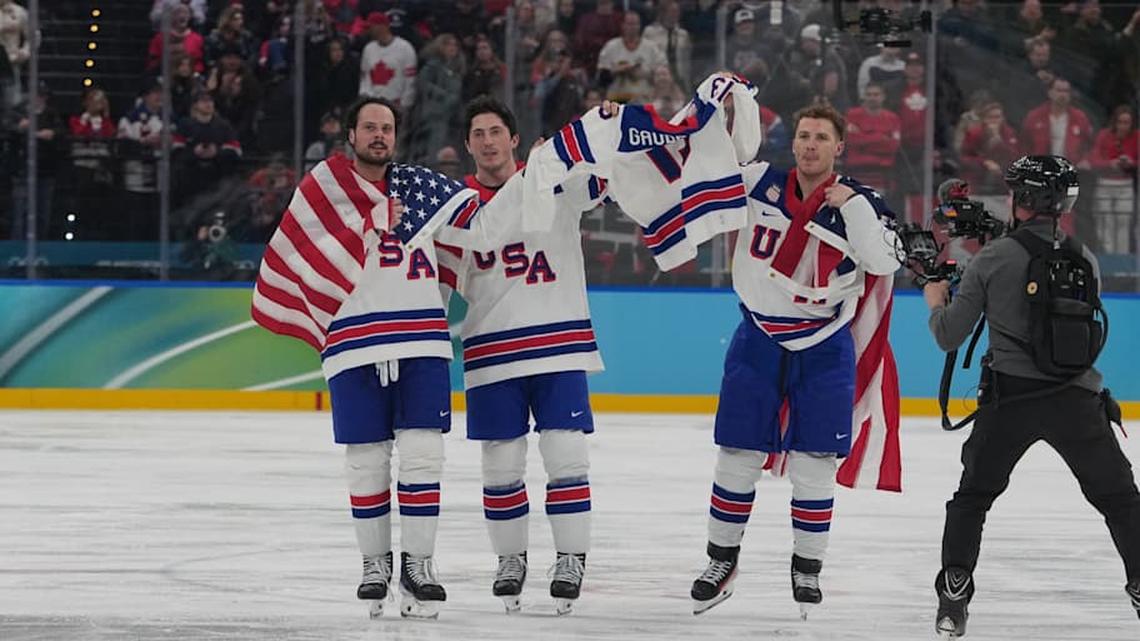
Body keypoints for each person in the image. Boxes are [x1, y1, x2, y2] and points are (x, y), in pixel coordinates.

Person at [251, 95, 528, 620]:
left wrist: (535, 176)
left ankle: (418, 566)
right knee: (365, 462)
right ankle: (374, 565)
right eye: (370, 127)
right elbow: (305, 246)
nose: (379, 135)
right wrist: (374, 216)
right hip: (353, 341)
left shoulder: (421, 188)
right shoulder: (324, 187)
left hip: (421, 337)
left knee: (424, 455)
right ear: (350, 135)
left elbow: (479, 222)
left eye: (387, 128)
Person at [689, 103, 901, 617]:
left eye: (821, 138)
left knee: (815, 462)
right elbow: (700, 177)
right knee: (737, 454)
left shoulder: (862, 202)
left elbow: (883, 260)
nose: (809, 145)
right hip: (757, 336)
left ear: (838, 147)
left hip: (825, 345)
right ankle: (722, 560)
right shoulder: (758, 180)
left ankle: (807, 568)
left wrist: (850, 206)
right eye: (803, 135)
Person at [923, 155, 1140, 638]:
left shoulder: (992, 258)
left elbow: (948, 335)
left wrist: (936, 297)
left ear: (1020, 199)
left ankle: (953, 598)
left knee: (972, 499)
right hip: (1078, 399)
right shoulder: (1086, 257)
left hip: (1010, 401)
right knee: (1122, 501)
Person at [439, 96, 606, 615]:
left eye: (496, 132)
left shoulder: (553, 179)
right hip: (491, 350)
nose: (488, 141)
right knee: (501, 466)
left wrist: (575, 153)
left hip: (557, 341)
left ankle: (571, 558)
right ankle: (510, 559)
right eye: (478, 133)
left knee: (566, 456)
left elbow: (596, 185)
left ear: (513, 139)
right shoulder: (454, 204)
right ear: (468, 146)